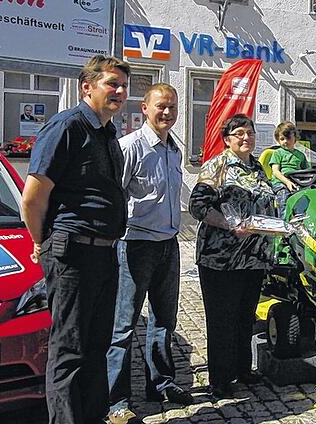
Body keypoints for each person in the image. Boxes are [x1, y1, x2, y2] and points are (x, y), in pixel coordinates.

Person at [22, 55, 129, 424]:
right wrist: (42, 243)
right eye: (111, 84)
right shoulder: (66, 127)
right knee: (69, 351)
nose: (119, 91)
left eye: (123, 86)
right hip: (72, 254)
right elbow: (33, 198)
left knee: (97, 346)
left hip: (104, 254)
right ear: (87, 86)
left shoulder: (108, 132)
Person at [105, 83, 191, 424]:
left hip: (168, 245)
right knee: (123, 327)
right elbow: (114, 198)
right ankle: (116, 403)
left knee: (163, 322)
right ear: (145, 108)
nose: (167, 112)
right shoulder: (129, 147)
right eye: (161, 106)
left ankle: (161, 384)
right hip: (134, 246)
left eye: (172, 107)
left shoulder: (174, 150)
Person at [188, 114, 274, 398]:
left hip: (253, 259)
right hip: (220, 259)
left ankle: (242, 369)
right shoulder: (218, 165)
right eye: (239, 133)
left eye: (249, 132)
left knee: (245, 317)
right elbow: (198, 205)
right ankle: (220, 379)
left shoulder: (258, 168)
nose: (246, 137)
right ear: (227, 139)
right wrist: (228, 224)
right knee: (222, 320)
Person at [269, 121, 309, 216]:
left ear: (295, 138)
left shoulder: (300, 155)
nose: (285, 141)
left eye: (288, 138)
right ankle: (283, 221)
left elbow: (307, 172)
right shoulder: (278, 153)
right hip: (280, 183)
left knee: (306, 197)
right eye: (282, 139)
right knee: (284, 196)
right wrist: (287, 182)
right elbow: (275, 171)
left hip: (296, 182)